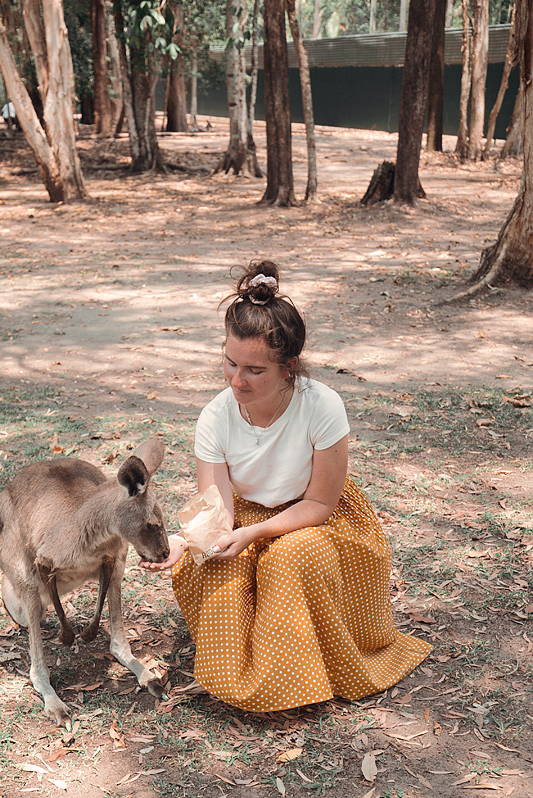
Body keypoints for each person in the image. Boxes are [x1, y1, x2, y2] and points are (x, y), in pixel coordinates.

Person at [141, 260, 432, 713]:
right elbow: (219, 511)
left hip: (319, 517)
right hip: (245, 513)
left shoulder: (322, 407)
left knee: (288, 556)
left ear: (288, 367)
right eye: (230, 363)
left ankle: (306, 676)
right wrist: (185, 541)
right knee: (220, 564)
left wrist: (256, 534)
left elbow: (319, 502)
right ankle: (248, 677)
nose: (237, 380)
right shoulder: (215, 417)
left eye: (254, 370)